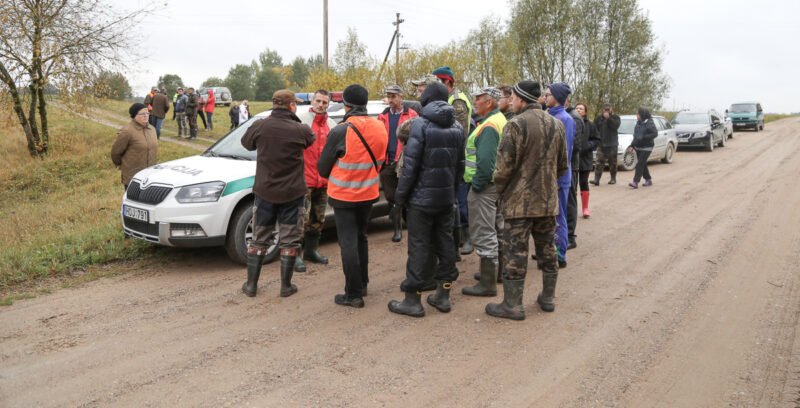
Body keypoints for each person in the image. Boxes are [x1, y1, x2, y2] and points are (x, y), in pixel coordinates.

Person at [485, 80, 568, 320]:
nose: (511, 101)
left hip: (519, 203)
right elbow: (563, 165)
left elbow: (503, 169)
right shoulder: (557, 124)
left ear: (521, 99)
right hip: (547, 202)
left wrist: (500, 191)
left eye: (513, 98)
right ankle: (548, 297)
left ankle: (512, 304)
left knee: (516, 253)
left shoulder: (515, 124)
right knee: (547, 249)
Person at [387, 82, 465, 317]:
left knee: (419, 247)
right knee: (446, 244)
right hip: (445, 199)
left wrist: (399, 199)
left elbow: (410, 167)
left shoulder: (420, 125)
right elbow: (459, 166)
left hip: (421, 201)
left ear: (427, 99)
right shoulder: (458, 126)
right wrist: (452, 194)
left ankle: (412, 299)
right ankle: (443, 295)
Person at [318, 84, 388, 308]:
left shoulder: (341, 131)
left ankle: (353, 294)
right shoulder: (380, 126)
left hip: (344, 196)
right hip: (369, 193)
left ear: (346, 105)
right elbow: (382, 160)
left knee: (348, 242)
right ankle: (363, 284)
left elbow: (322, 168)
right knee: (361, 238)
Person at [240, 90, 315, 299]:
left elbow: (246, 143)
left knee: (259, 239)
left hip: (265, 192)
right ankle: (286, 286)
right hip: (292, 193)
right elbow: (310, 140)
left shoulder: (260, 126)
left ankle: (251, 285)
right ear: (291, 105)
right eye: (295, 104)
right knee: (290, 240)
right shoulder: (300, 129)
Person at [461, 87, 507, 297]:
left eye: (478, 99)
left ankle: (487, 284)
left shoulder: (489, 126)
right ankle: (497, 273)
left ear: (489, 102)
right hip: (497, 185)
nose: (474, 103)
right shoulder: (498, 120)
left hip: (485, 187)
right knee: (497, 228)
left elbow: (486, 163)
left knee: (484, 232)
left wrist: (477, 186)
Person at [432, 66, 473, 260]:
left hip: (458, 158)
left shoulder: (457, 101)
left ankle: (467, 237)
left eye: (437, 81)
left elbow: (459, 132)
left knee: (460, 200)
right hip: (449, 157)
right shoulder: (445, 99)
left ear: (447, 81)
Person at [294, 89, 336, 273]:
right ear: (312, 101)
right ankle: (294, 255)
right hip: (304, 179)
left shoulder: (332, 125)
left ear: (328, 105)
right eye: (318, 101)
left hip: (323, 180)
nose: (321, 105)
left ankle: (311, 251)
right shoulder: (301, 121)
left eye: (324, 102)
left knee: (318, 218)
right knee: (300, 219)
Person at [378, 85, 418, 243]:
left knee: (406, 195)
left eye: (393, 96)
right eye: (389, 96)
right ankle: (397, 228)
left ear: (401, 97)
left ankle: (408, 227)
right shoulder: (383, 116)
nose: (391, 99)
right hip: (387, 162)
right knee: (390, 196)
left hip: (405, 161)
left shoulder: (411, 114)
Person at [545, 83, 575, 268]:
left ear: (556, 97)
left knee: (559, 216)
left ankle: (560, 254)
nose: (545, 97)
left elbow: (566, 152)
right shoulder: (549, 115)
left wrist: (556, 176)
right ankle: (549, 250)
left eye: (548, 94)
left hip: (559, 178)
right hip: (548, 176)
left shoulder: (566, 119)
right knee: (548, 218)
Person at [110, 103, 159, 189]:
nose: (146, 116)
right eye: (142, 114)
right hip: (133, 176)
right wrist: (123, 165)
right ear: (134, 115)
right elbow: (116, 152)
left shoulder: (152, 129)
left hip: (150, 176)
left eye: (147, 113)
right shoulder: (127, 131)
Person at [575, 103, 600, 218]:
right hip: (573, 159)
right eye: (577, 108)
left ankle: (585, 208)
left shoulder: (590, 124)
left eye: (581, 109)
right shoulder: (571, 122)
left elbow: (596, 140)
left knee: (584, 182)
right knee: (572, 185)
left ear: (585, 112)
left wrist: (588, 146)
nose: (578, 110)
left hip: (585, 159)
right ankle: (572, 209)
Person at [565, 100, 584, 249]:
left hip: (570, 166)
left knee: (570, 201)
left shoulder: (574, 117)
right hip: (562, 166)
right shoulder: (564, 115)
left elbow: (576, 145)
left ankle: (570, 237)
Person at [628, 107, 657, 189]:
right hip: (638, 147)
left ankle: (635, 182)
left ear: (642, 115)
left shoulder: (650, 123)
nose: (636, 115)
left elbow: (655, 134)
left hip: (647, 147)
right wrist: (632, 145)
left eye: (638, 114)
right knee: (642, 164)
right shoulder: (638, 123)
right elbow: (636, 136)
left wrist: (644, 137)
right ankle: (648, 179)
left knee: (640, 164)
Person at [592, 104, 621, 185]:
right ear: (602, 110)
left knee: (612, 163)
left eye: (608, 109)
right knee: (599, 162)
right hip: (601, 144)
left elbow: (615, 126)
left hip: (612, 144)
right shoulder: (598, 118)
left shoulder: (615, 117)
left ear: (611, 109)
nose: (607, 111)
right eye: (605, 109)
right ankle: (596, 180)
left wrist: (609, 118)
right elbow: (594, 129)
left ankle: (613, 178)